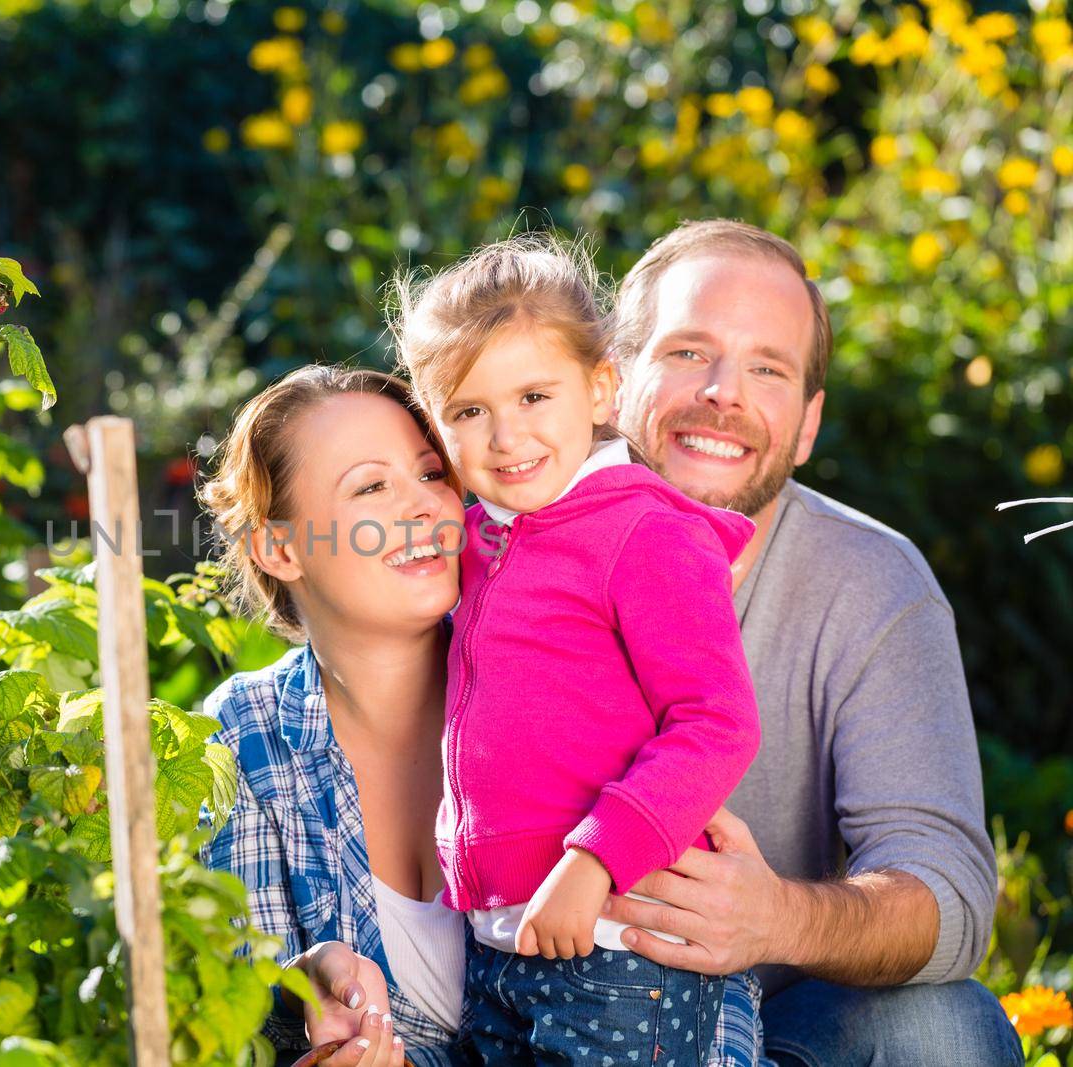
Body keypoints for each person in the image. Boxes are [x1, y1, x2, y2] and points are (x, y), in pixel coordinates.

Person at [604, 219, 1022, 1067]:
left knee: (945, 1028)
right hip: (517, 1017)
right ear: (612, 380)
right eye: (689, 351)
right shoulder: (505, 536)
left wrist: (771, 917)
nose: (724, 392)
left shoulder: (871, 584)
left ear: (806, 425)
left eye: (768, 368)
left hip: (765, 1035)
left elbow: (946, 889)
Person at [391, 235, 763, 1066]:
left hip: (619, 946)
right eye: (468, 410)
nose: (504, 434)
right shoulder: (488, 535)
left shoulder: (646, 534)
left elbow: (718, 723)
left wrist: (595, 861)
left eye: (532, 395)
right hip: (500, 946)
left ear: (601, 387)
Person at [198, 365, 470, 1067]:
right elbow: (238, 1015)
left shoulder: (551, 681)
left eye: (432, 473)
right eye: (372, 486)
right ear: (280, 548)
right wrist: (297, 989)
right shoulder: (243, 732)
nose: (424, 508)